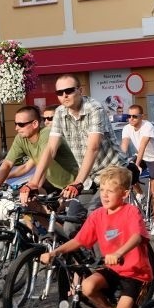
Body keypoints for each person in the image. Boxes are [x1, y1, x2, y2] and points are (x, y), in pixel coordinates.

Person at [39, 166, 153, 308]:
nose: (105, 194)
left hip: (135, 272)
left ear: (124, 193)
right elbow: (80, 240)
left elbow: (137, 236)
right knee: (88, 287)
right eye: (102, 189)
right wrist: (55, 252)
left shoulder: (130, 213)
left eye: (112, 190)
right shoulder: (99, 215)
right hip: (113, 270)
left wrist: (119, 253)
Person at [23, 74, 134, 210]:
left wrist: (77, 183)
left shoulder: (94, 108)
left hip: (112, 171)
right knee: (71, 223)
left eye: (69, 90)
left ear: (80, 91)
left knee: (93, 214)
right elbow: (51, 148)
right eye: (59, 92)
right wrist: (34, 182)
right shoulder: (59, 113)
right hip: (87, 177)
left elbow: (93, 147)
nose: (64, 95)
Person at [0, 105, 78, 201]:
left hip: (75, 184)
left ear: (35, 124)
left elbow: (45, 161)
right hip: (54, 184)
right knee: (29, 205)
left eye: (21, 124)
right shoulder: (20, 139)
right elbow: (9, 164)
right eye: (15, 124)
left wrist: (33, 184)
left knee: (64, 212)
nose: (16, 128)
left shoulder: (47, 133)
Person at [119, 104, 154, 236]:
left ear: (142, 117)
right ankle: (140, 194)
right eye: (129, 116)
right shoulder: (127, 128)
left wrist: (138, 164)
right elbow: (124, 146)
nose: (131, 119)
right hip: (143, 156)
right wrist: (121, 163)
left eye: (135, 116)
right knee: (127, 173)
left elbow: (142, 146)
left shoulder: (147, 126)